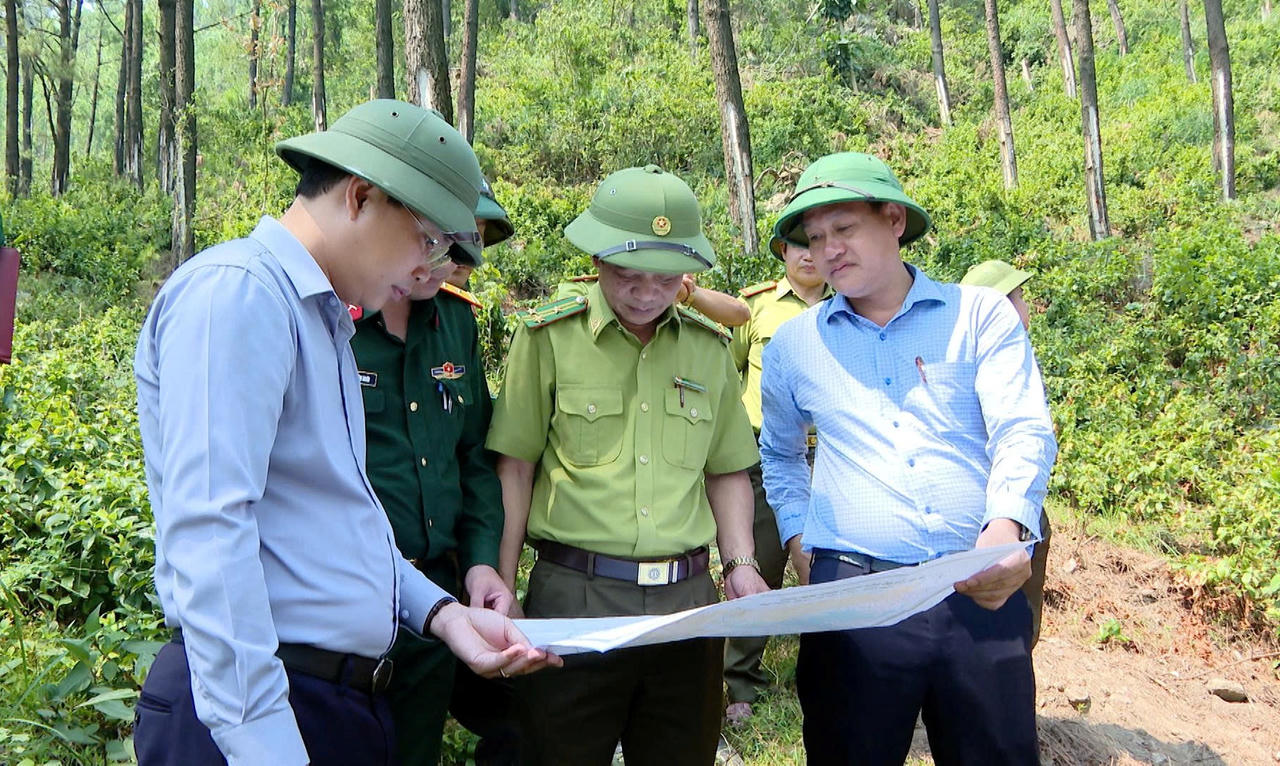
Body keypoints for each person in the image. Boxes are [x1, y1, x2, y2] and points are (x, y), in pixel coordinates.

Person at [132, 100, 557, 766]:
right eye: (428, 240)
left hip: (336, 706)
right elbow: (211, 537)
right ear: (361, 196)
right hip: (261, 715)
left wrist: (444, 616)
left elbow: (340, 526)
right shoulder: (239, 296)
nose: (428, 269)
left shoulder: (323, 321)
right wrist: (265, 744)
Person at [760, 152, 1057, 764]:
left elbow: (1022, 428)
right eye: (815, 238)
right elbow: (781, 454)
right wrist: (797, 541)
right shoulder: (795, 345)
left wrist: (1006, 526)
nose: (828, 250)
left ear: (893, 219)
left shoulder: (979, 317)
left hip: (978, 589)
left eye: (844, 229)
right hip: (853, 594)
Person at [486, 164, 769, 766]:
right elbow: (515, 469)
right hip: (574, 599)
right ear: (596, 261)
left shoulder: (708, 347)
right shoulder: (547, 339)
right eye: (627, 275)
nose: (645, 293)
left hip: (687, 604)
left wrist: (740, 563)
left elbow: (726, 471)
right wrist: (506, 586)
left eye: (665, 281)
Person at [351, 175, 521, 766]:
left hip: (441, 596)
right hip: (353, 597)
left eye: (471, 251)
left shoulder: (456, 324)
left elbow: (474, 457)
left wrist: (481, 561)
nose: (452, 265)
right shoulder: (336, 321)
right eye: (446, 243)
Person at [721, 235, 832, 726]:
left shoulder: (853, 302)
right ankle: (740, 681)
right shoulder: (756, 308)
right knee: (758, 564)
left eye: (817, 244)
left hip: (833, 458)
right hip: (765, 456)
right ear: (782, 252)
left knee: (830, 565)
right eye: (798, 245)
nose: (809, 254)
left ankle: (834, 668)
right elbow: (729, 377)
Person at [961, 258, 1051, 649]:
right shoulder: (984, 357)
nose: (1023, 308)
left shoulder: (1013, 352)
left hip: (1020, 508)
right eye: (1016, 298)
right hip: (989, 514)